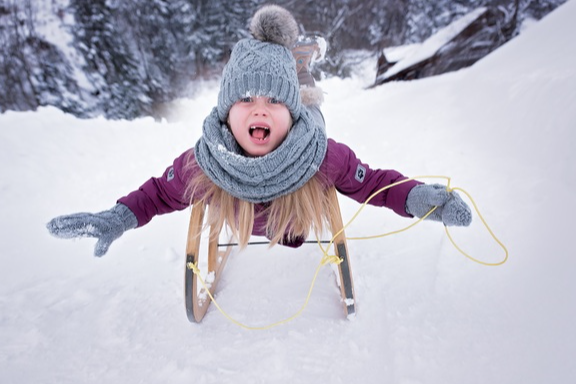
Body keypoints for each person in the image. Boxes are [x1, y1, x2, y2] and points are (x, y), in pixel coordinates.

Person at [46, 5, 471, 257]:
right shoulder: (206, 161)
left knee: (307, 98)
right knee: (287, 89)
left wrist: (419, 199)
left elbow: (375, 184)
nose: (258, 111)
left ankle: (298, 72)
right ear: (227, 112)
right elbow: (158, 193)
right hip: (276, 136)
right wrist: (118, 217)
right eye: (245, 100)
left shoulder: (321, 156)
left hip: (300, 141)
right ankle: (293, 67)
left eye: (272, 103)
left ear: (288, 113)